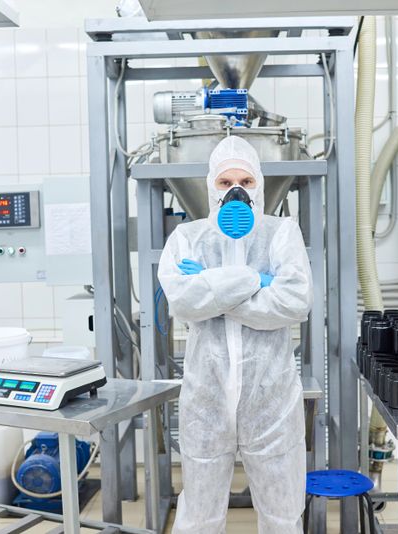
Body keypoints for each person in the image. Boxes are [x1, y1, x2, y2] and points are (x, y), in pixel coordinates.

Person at [158, 136, 313, 533]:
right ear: (212, 187)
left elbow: (294, 303)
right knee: (199, 515)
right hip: (205, 402)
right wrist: (255, 281)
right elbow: (183, 303)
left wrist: (212, 286)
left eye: (246, 180)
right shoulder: (187, 239)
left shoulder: (281, 233)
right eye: (226, 183)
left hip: (271, 400)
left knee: (281, 515)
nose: (237, 192)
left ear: (260, 184)